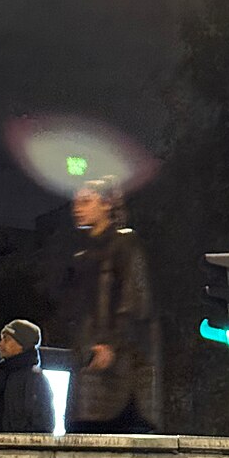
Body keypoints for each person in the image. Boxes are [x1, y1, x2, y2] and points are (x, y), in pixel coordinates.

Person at [63, 176, 161, 434]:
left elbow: (134, 299)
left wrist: (111, 344)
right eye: (76, 202)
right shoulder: (82, 254)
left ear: (106, 204)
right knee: (85, 432)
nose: (78, 208)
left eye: (86, 201)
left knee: (117, 430)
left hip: (120, 366)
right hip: (90, 360)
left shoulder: (124, 244)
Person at [0, 318, 55, 433]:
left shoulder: (35, 379)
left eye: (6, 339)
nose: (0, 345)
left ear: (22, 345)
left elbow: (44, 425)